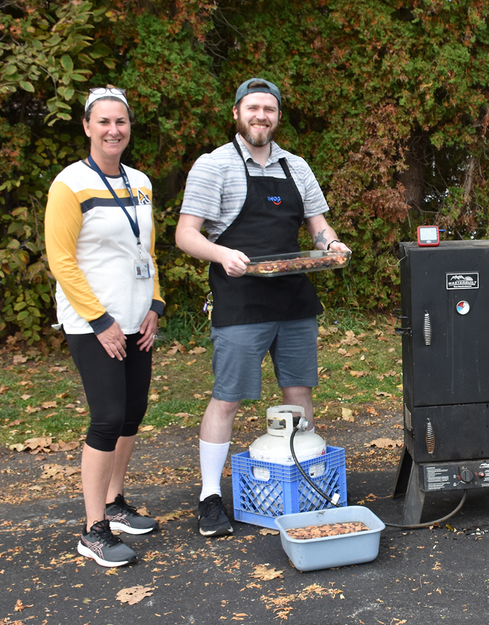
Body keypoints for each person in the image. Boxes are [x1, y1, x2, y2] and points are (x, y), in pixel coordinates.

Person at [176, 78, 349, 537]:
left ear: (277, 117)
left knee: (299, 392)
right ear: (237, 113)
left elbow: (318, 226)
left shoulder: (296, 166)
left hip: (293, 300)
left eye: (269, 109)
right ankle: (209, 497)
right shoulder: (213, 165)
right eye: (253, 108)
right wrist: (222, 255)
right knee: (228, 397)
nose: (261, 116)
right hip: (240, 300)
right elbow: (186, 234)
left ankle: (308, 482)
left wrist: (331, 245)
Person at [45, 87, 163, 567]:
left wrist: (155, 305)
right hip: (93, 323)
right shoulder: (70, 184)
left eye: (121, 122)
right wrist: (100, 321)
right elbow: (61, 260)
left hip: (138, 318)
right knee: (108, 417)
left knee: (132, 414)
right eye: (104, 122)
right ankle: (93, 530)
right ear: (87, 127)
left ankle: (115, 504)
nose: (114, 130)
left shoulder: (141, 182)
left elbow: (146, 251)